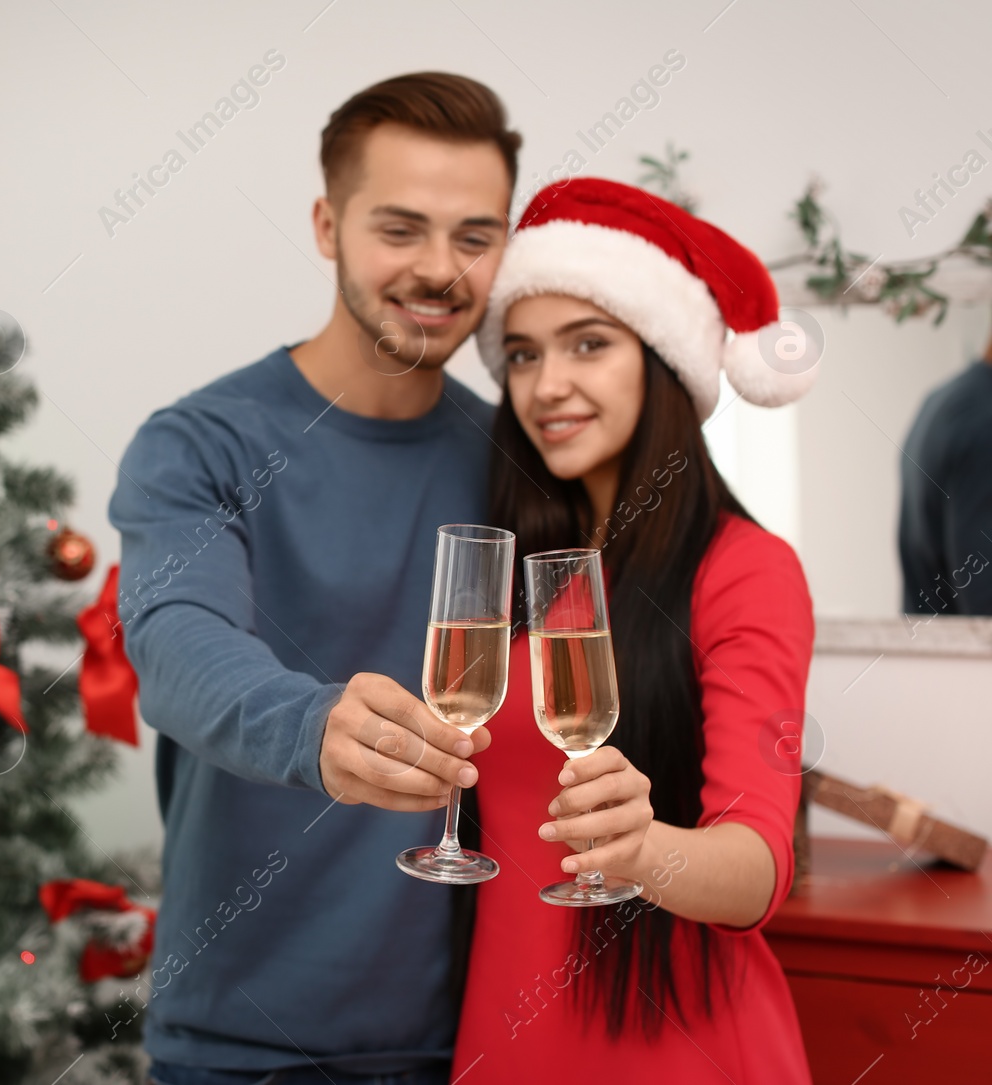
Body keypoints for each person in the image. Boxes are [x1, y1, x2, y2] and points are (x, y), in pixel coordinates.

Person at [107, 73, 519, 1084]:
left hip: (461, 1042)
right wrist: (313, 726)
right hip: (236, 1046)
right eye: (400, 229)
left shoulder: (519, 462)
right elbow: (175, 640)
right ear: (326, 223)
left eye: (475, 236)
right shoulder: (197, 441)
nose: (437, 268)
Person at [453, 176, 818, 1082]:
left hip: (678, 1045)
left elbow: (757, 867)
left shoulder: (743, 569)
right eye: (525, 354)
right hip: (503, 1032)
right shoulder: (536, 564)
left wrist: (640, 849)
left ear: (664, 362)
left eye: (589, 344)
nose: (548, 384)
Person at [898, 329, 992, 616]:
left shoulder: (940, 401)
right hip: (969, 657)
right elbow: (983, 597)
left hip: (931, 652)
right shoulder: (983, 421)